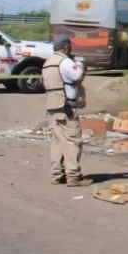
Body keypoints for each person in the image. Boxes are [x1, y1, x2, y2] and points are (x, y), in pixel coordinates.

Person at [43, 35, 92, 187]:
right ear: (66, 47)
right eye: (70, 46)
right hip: (66, 107)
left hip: (52, 106)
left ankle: (57, 175)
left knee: (57, 141)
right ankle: (73, 177)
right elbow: (78, 76)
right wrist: (80, 64)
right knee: (73, 141)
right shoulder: (65, 62)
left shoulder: (47, 63)